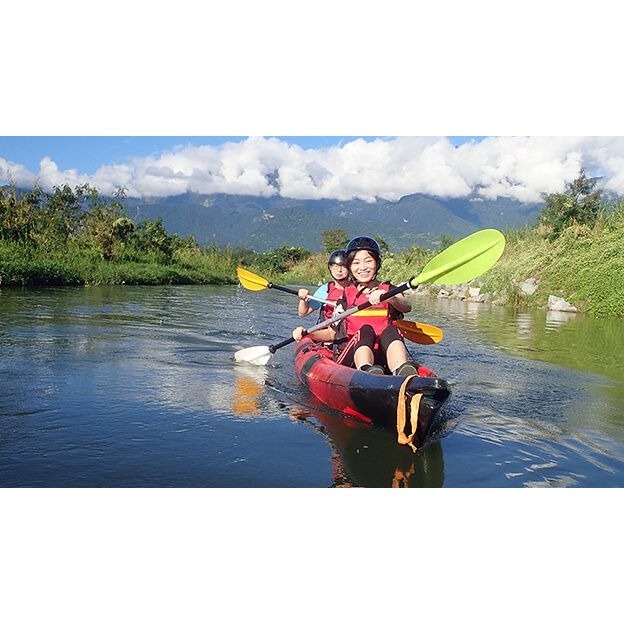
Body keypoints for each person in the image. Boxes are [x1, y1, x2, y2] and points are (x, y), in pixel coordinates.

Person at [332, 236, 419, 376]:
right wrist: (306, 334)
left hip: (384, 355)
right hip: (353, 357)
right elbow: (332, 332)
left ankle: (401, 369)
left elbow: (406, 306)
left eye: (368, 261)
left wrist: (390, 297)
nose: (363, 267)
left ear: (377, 264)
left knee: (391, 330)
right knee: (365, 329)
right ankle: (366, 369)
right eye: (356, 263)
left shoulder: (388, 290)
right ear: (349, 266)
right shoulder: (345, 296)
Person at [296, 249, 349, 322]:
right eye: (335, 266)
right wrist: (303, 299)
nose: (339, 270)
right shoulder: (325, 290)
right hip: (326, 331)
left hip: (348, 330)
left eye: (343, 266)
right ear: (330, 268)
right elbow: (303, 313)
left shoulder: (357, 289)